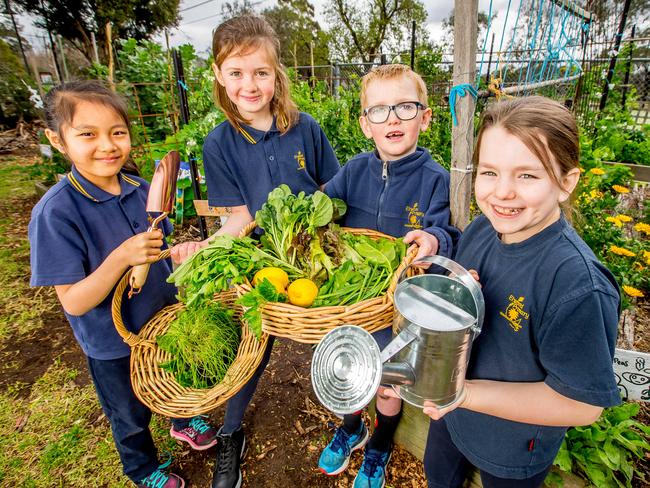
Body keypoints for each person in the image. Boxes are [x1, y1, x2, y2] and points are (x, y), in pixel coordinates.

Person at [169, 15, 340, 488]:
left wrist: (333, 241)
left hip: (315, 253)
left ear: (276, 73)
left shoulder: (305, 127)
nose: (250, 84)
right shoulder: (219, 141)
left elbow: (331, 190)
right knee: (254, 347)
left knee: (335, 335)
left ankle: (349, 423)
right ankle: (230, 433)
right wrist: (208, 249)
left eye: (260, 72)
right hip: (261, 261)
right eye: (238, 73)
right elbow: (239, 217)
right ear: (220, 77)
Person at [417, 96, 621, 488]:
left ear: (566, 183)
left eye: (527, 175)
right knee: (438, 478)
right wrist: (457, 293)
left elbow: (582, 405)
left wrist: (466, 395)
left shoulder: (577, 284)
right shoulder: (482, 229)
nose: (502, 192)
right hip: (453, 418)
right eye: (489, 172)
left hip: (512, 447)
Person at [28, 80, 219, 488]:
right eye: (87, 134)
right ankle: (142, 468)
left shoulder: (142, 190)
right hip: (112, 341)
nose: (107, 145)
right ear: (57, 140)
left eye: (117, 132)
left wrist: (179, 252)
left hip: (165, 321)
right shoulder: (56, 213)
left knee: (175, 375)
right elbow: (76, 302)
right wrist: (120, 258)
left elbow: (158, 248)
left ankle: (182, 419)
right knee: (129, 412)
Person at [319, 64, 461, 488]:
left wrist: (433, 240)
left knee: (387, 385)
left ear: (426, 116)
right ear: (365, 124)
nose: (393, 119)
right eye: (379, 111)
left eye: (404, 107)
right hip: (350, 299)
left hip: (399, 309)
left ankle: (380, 443)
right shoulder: (353, 171)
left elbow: (446, 232)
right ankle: (351, 427)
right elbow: (322, 208)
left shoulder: (437, 180)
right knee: (347, 370)